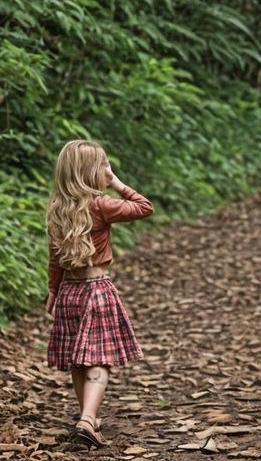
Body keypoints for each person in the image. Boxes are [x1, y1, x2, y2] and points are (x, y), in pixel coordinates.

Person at [45, 138, 154, 447]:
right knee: (99, 360)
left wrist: (53, 290)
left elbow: (54, 258)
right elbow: (145, 207)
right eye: (103, 166)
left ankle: (87, 417)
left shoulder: (57, 209)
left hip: (70, 292)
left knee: (78, 360)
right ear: (90, 173)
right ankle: (87, 420)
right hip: (97, 290)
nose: (107, 170)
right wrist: (117, 182)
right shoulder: (101, 204)